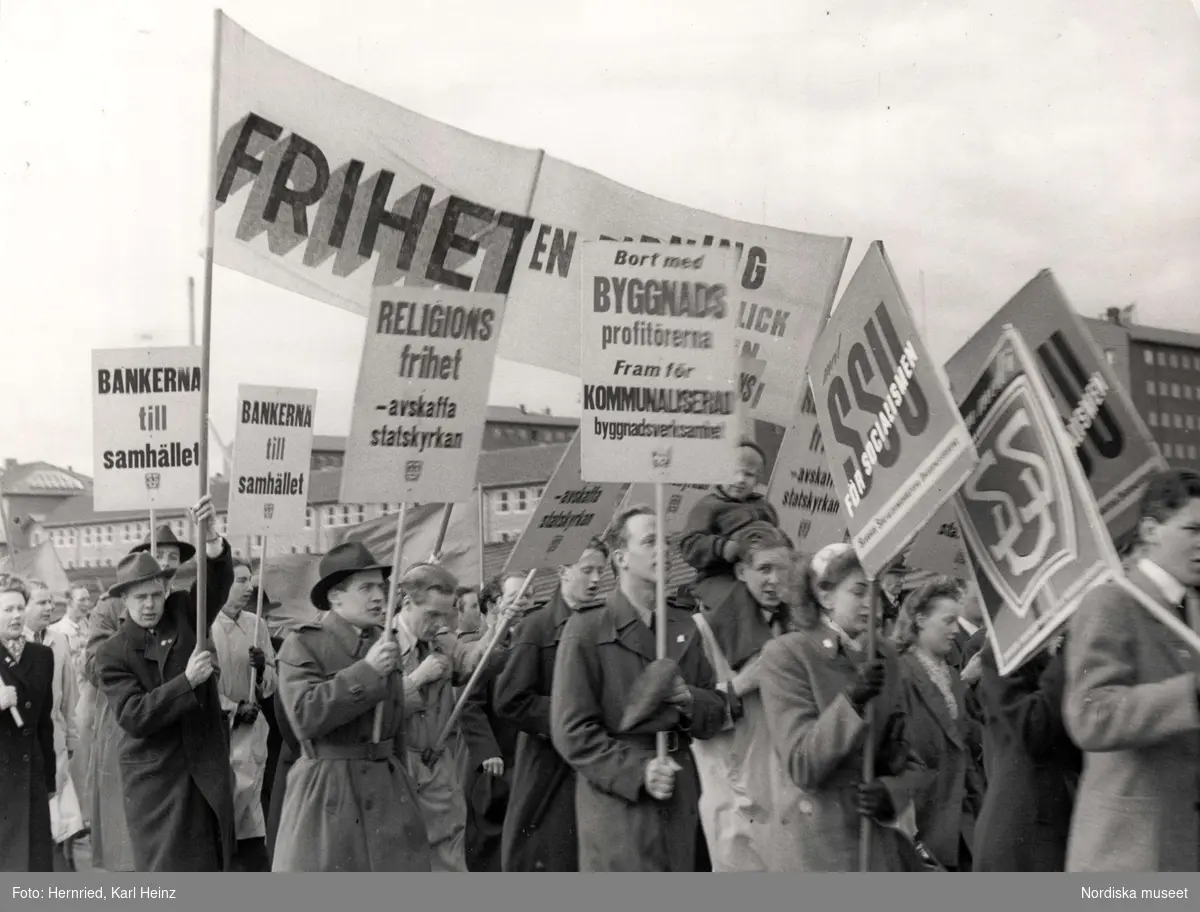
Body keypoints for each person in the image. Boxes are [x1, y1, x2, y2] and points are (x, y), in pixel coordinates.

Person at [551, 505, 729, 871]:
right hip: (619, 802)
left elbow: (714, 714)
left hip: (680, 796)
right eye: (649, 541)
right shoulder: (586, 629)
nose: (662, 550)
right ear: (620, 558)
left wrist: (688, 698)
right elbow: (572, 732)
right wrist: (639, 771)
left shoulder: (683, 625)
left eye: (664, 541)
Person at [1063, 469, 1200, 872]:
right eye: (1192, 529)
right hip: (1129, 855)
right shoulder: (1111, 602)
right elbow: (1090, 715)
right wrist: (1190, 695)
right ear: (1151, 530)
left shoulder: (1192, 608)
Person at [758, 542, 926, 871]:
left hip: (875, 843)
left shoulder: (887, 656)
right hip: (819, 845)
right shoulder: (787, 654)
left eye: (876, 593)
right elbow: (802, 764)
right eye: (859, 591)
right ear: (825, 597)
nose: (871, 604)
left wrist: (891, 792)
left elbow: (917, 756)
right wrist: (852, 701)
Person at [96, 494, 236, 872]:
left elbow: (217, 583)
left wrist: (211, 539)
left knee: (211, 867)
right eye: (140, 597)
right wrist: (187, 682)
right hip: (155, 782)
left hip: (204, 770)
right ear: (124, 600)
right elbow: (135, 716)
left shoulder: (185, 613)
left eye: (156, 594)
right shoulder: (113, 653)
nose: (150, 605)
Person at [271, 542, 431, 872]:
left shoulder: (384, 642)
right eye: (366, 588)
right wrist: (367, 672)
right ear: (335, 596)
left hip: (388, 792)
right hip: (330, 795)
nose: (378, 596)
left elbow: (395, 727)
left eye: (380, 586)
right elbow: (304, 717)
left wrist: (404, 784)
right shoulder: (301, 643)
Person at [688, 521, 806, 871]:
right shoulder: (703, 629)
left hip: (790, 799)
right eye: (763, 569)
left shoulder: (798, 631)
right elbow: (689, 715)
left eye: (782, 569)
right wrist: (742, 684)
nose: (773, 580)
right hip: (734, 801)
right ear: (741, 571)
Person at [391, 562, 519, 872]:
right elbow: (374, 707)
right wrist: (416, 680)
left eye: (446, 615)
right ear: (408, 603)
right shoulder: (382, 642)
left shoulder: (440, 638)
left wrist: (498, 626)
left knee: (449, 852)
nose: (439, 624)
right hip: (397, 766)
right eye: (432, 615)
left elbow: (472, 661)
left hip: (436, 766)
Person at [494, 540, 607, 871]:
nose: (596, 579)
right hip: (550, 767)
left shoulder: (604, 623)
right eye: (587, 570)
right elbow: (510, 699)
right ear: (563, 571)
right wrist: (572, 715)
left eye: (601, 570)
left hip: (596, 763)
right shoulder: (537, 627)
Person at [891, 577, 983, 872]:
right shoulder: (901, 674)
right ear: (920, 619)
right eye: (947, 621)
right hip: (928, 817)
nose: (956, 630)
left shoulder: (952, 675)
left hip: (963, 812)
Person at [973, 636, 1080, 871]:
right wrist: (1069, 654)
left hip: (1069, 821)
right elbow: (1033, 726)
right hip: (1026, 833)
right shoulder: (1004, 648)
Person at [212, 558, 276, 871]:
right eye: (239, 580)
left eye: (249, 580)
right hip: (220, 726)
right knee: (224, 803)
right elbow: (203, 684)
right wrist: (233, 707)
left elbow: (272, 684)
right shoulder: (206, 626)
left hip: (252, 729)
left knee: (250, 807)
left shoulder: (257, 625)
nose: (248, 587)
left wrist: (263, 670)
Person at [679, 440, 780, 615]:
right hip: (719, 577)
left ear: (757, 479)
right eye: (733, 472)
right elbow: (689, 545)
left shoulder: (764, 507)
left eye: (749, 475)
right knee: (739, 603)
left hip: (760, 572)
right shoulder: (709, 506)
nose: (740, 480)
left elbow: (778, 537)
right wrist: (722, 547)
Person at [0, 576, 58, 871]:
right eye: (7, 609)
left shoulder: (42, 655)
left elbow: (44, 721)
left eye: (20, 607)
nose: (16, 615)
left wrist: (49, 777)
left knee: (33, 862)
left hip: (31, 773)